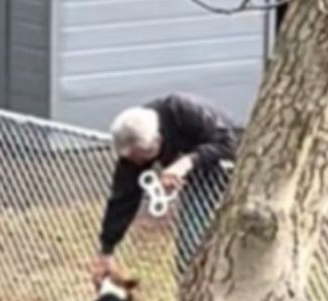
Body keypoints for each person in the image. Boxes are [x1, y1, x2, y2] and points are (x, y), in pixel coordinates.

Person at [91, 93, 240, 286]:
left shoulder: (182, 111)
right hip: (200, 182)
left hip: (232, 166)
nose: (139, 164)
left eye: (142, 158)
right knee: (191, 249)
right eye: (134, 160)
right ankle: (193, 289)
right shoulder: (133, 139)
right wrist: (106, 250)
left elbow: (227, 143)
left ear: (158, 140)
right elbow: (123, 197)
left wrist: (185, 163)